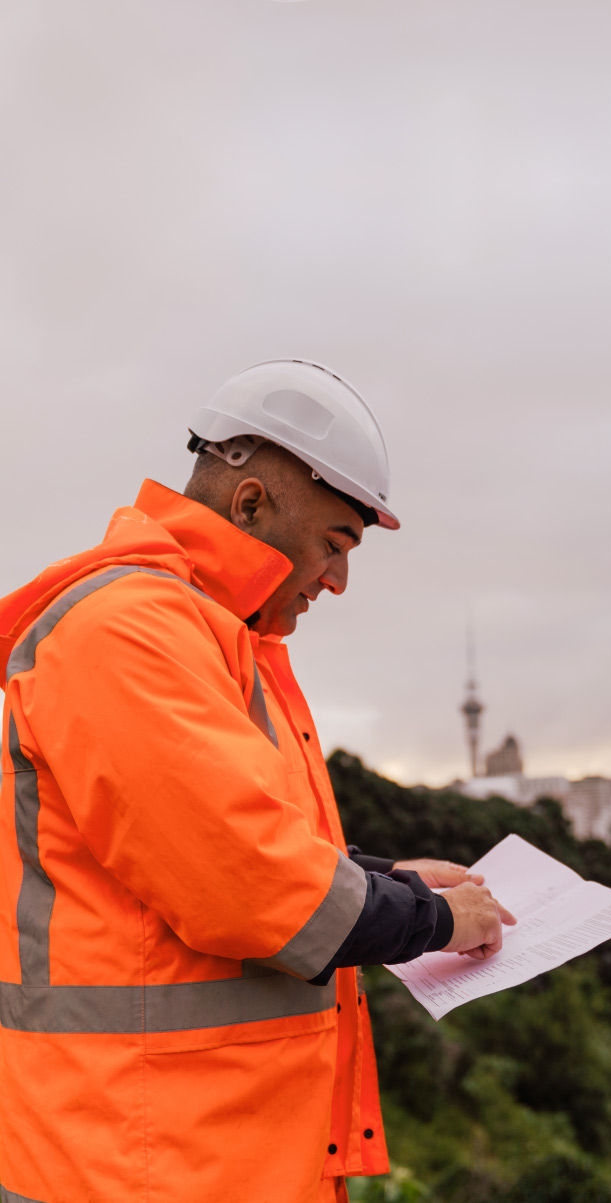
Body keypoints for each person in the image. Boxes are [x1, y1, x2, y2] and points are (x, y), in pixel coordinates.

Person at [0, 359, 515, 1203]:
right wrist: (436, 917)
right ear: (249, 504)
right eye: (333, 544)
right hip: (137, 1159)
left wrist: (389, 877)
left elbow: (251, 837)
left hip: (203, 1148)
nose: (337, 581)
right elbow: (251, 880)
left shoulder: (211, 637)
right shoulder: (129, 631)